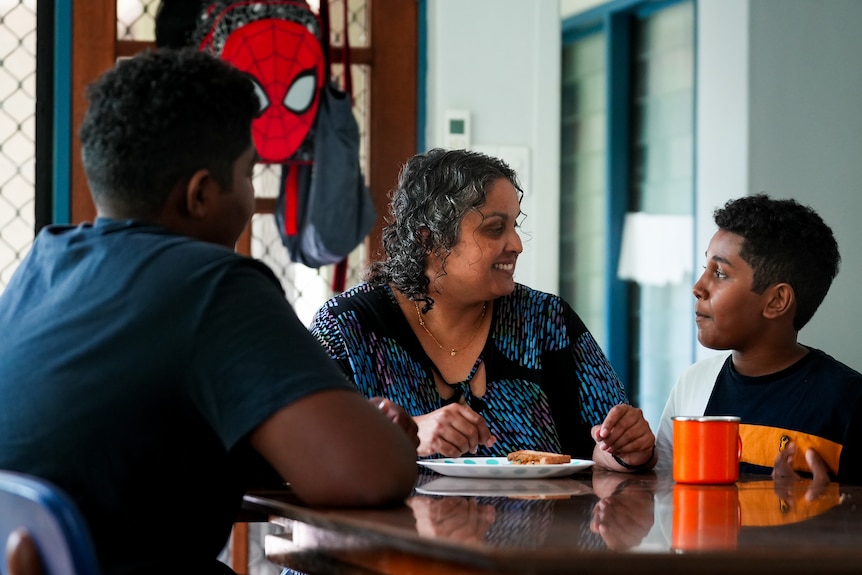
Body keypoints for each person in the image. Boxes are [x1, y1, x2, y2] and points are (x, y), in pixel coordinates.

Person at [0, 48, 419, 575]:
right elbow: (371, 474)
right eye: (249, 174)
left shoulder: (44, 263)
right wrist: (381, 439)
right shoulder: (212, 284)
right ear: (200, 195)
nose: (250, 197)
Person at [309, 148, 656, 472]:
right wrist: (408, 434)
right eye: (495, 229)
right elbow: (307, 448)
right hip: (394, 536)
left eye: (514, 226)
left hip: (547, 536)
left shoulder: (547, 321)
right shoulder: (347, 327)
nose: (517, 245)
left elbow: (604, 445)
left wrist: (628, 449)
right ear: (430, 239)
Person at [655, 194, 862, 484]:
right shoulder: (694, 383)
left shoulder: (849, 402)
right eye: (706, 269)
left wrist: (830, 508)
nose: (698, 287)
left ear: (777, 301)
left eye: (720, 273)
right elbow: (664, 495)